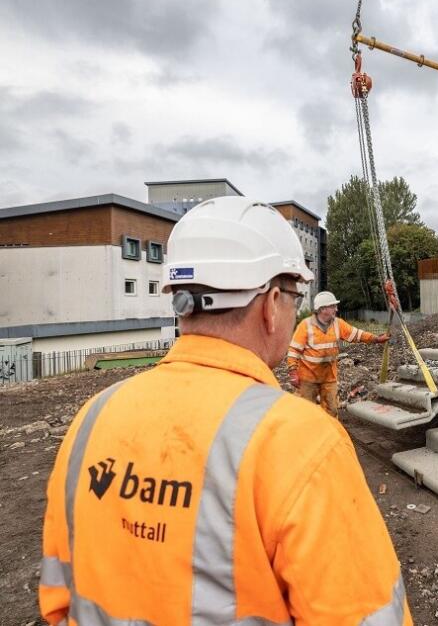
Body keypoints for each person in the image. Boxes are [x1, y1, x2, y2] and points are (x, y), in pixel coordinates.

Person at [39, 197, 411, 625]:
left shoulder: (91, 419)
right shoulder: (303, 444)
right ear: (271, 304)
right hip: (309, 383)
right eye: (294, 298)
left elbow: (59, 599)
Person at [286, 290, 389, 417]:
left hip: (329, 378)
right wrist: (293, 372)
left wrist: (376, 339)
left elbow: (356, 334)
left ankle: (330, 429)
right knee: (307, 411)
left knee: (332, 410)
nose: (336, 309)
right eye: (333, 306)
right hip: (308, 378)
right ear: (323, 309)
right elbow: (294, 350)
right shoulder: (305, 325)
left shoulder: (338, 324)